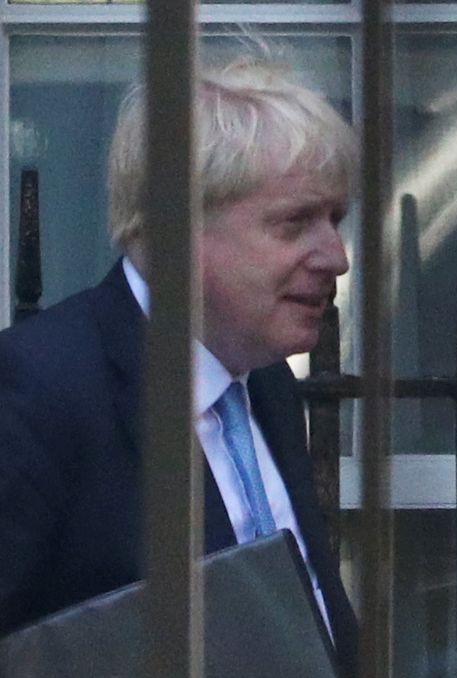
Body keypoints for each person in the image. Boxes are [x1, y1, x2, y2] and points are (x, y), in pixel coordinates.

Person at [0, 56, 359, 676]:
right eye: (296, 222)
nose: (336, 256)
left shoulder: (265, 380)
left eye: (335, 220)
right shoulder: (36, 392)